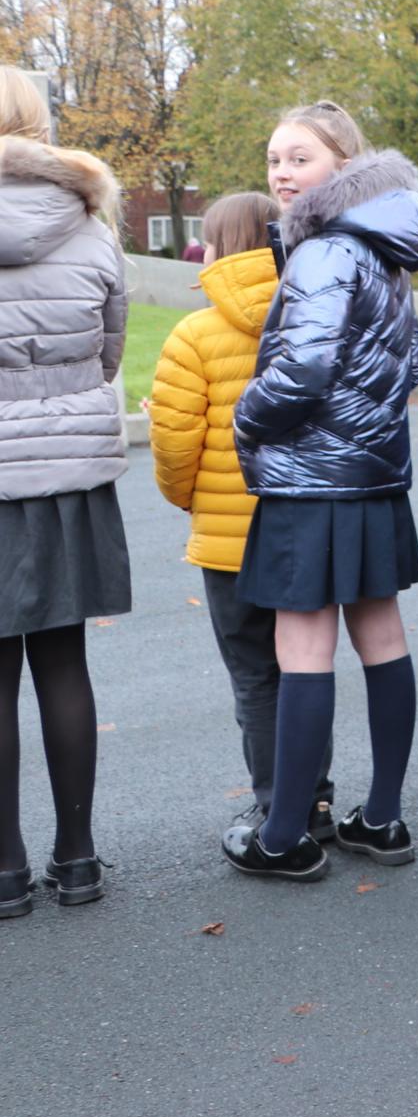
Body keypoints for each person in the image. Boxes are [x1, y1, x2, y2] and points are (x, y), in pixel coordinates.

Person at [221, 103, 418, 883]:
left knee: (304, 645)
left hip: (312, 477)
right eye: (275, 158)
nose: (282, 172)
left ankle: (283, 835)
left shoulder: (323, 252)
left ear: (342, 166)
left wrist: (246, 417)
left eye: (300, 158)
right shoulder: (387, 252)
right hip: (371, 472)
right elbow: (411, 363)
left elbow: (305, 370)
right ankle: (382, 819)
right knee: (381, 635)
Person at [151, 191, 335, 842]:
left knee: (256, 676)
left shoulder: (193, 336)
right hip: (308, 524)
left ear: (217, 245)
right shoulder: (321, 318)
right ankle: (315, 798)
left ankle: (272, 803)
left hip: (230, 538)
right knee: (306, 665)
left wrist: (189, 500)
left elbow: (175, 445)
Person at [0, 69, 129, 916]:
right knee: (63, 663)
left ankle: (5, 872)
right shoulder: (91, 225)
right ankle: (76, 860)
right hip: (69, 476)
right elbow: (112, 350)